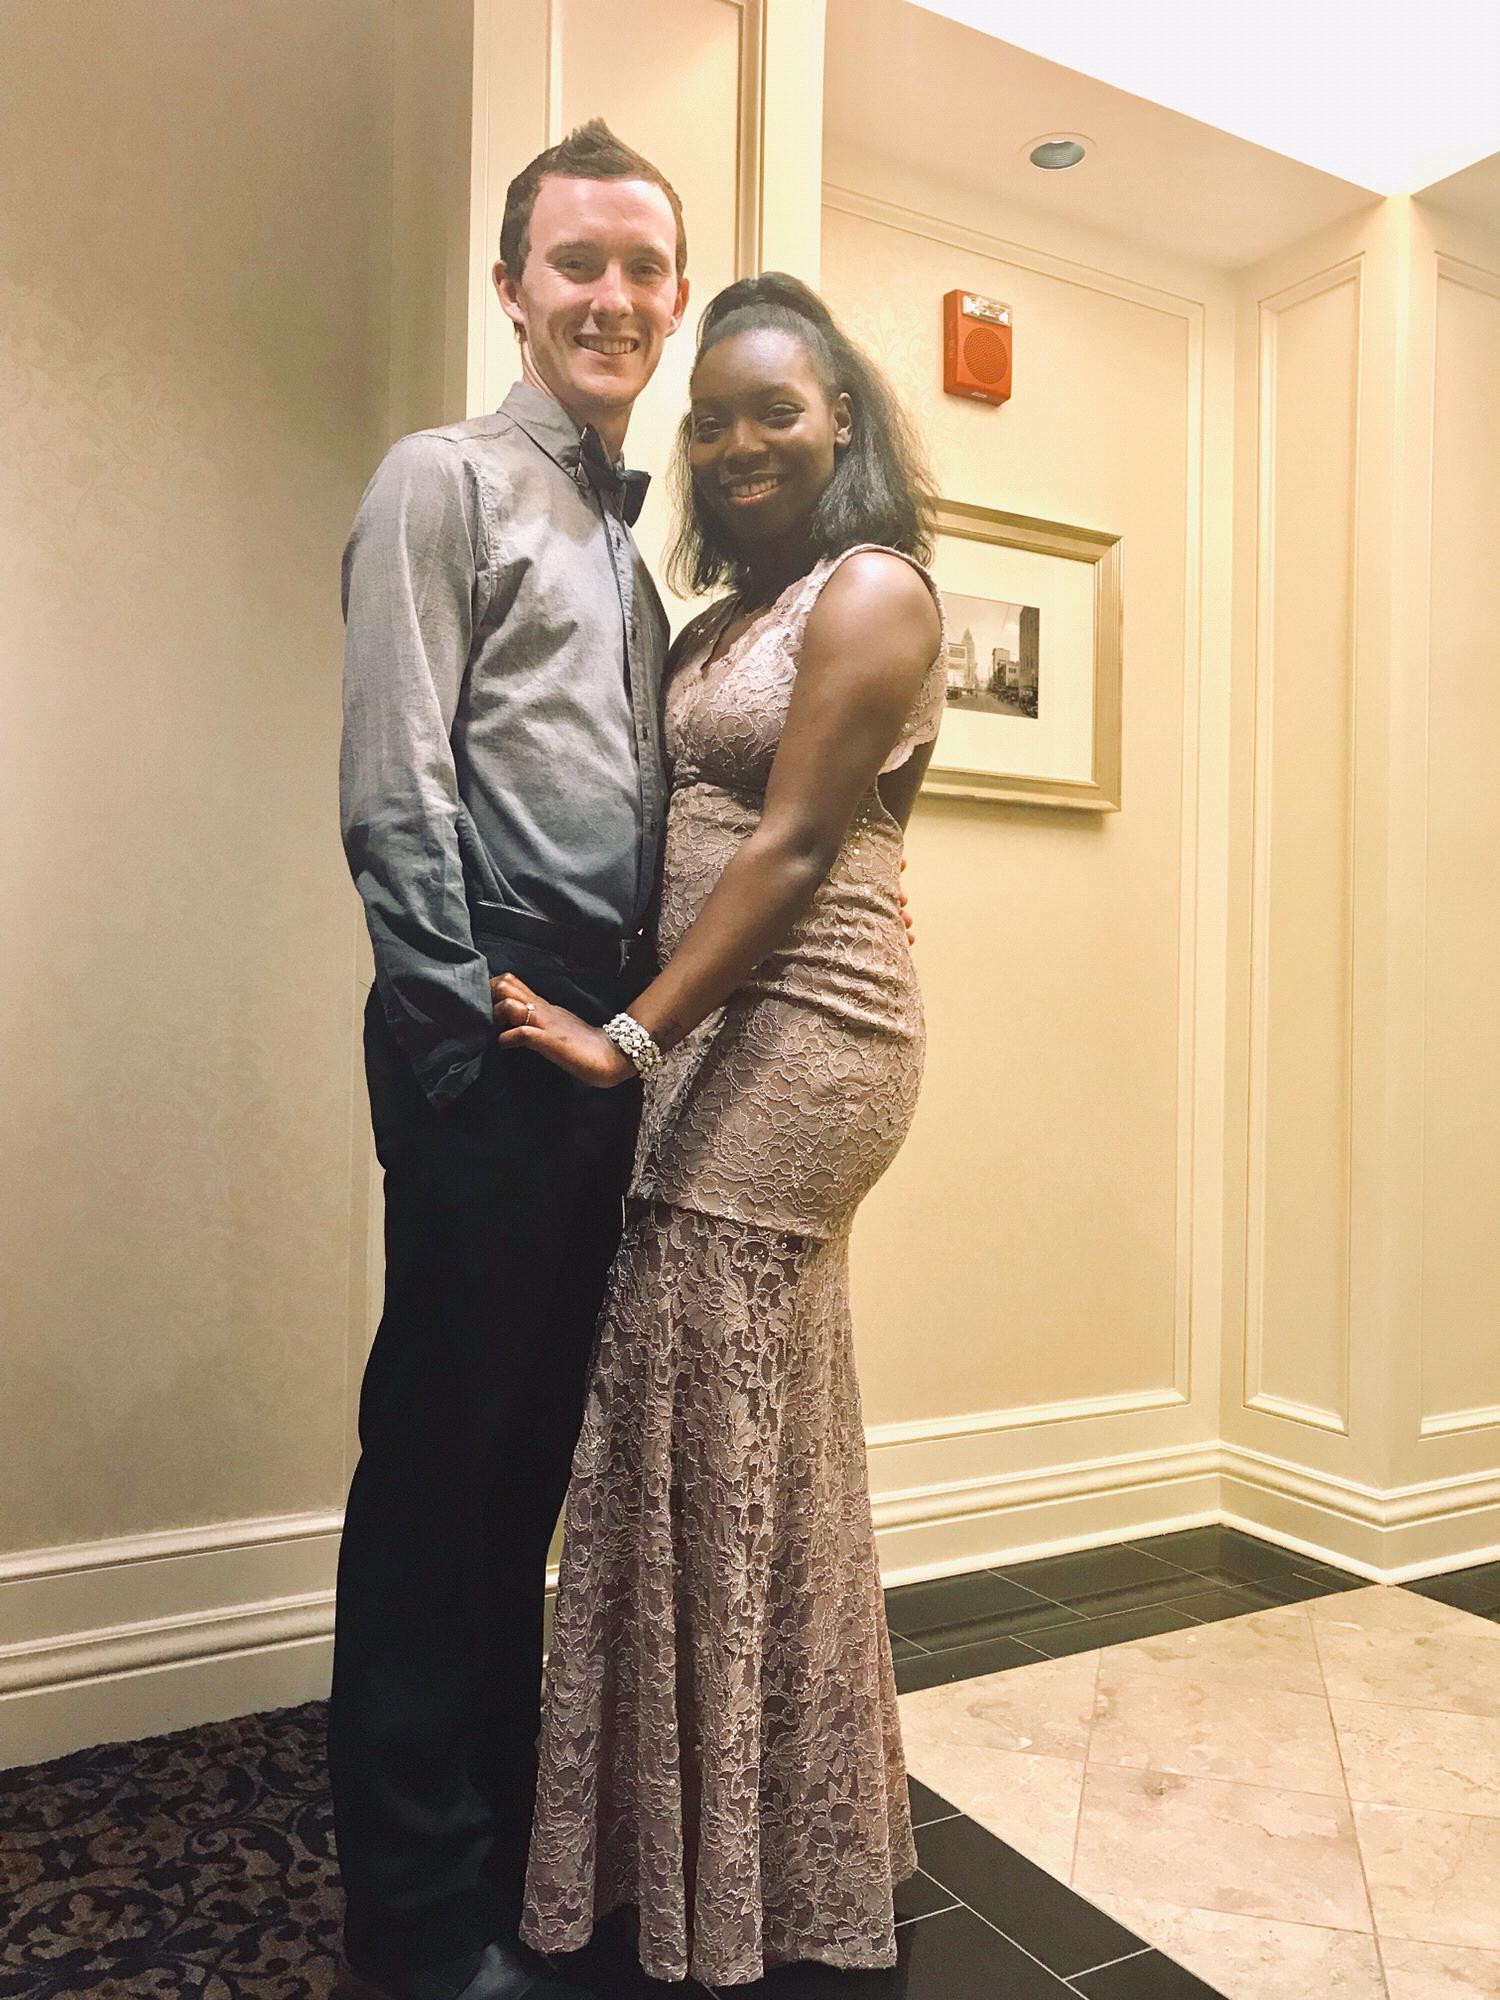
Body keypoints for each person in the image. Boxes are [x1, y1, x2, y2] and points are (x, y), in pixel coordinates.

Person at [493, 273, 945, 1988]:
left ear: (843, 421)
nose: (740, 442)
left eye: (777, 410)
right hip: (716, 1030)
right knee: (735, 1424)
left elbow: (801, 844)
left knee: (702, 1407)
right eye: (714, 420)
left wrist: (627, 1038)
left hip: (805, 1042)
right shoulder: (721, 620)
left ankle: (722, 1860)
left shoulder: (874, 587)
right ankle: (745, 1837)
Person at [331, 120, 690, 2000]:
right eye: (577, 263)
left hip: (603, 1045)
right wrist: (467, 1036)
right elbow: (397, 786)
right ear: (512, 287)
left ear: (674, 298)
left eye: (643, 267)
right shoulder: (443, 480)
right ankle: (411, 1920)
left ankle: (495, 1850)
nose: (611, 297)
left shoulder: (630, 555)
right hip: (492, 1023)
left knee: (529, 1468)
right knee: (439, 1466)